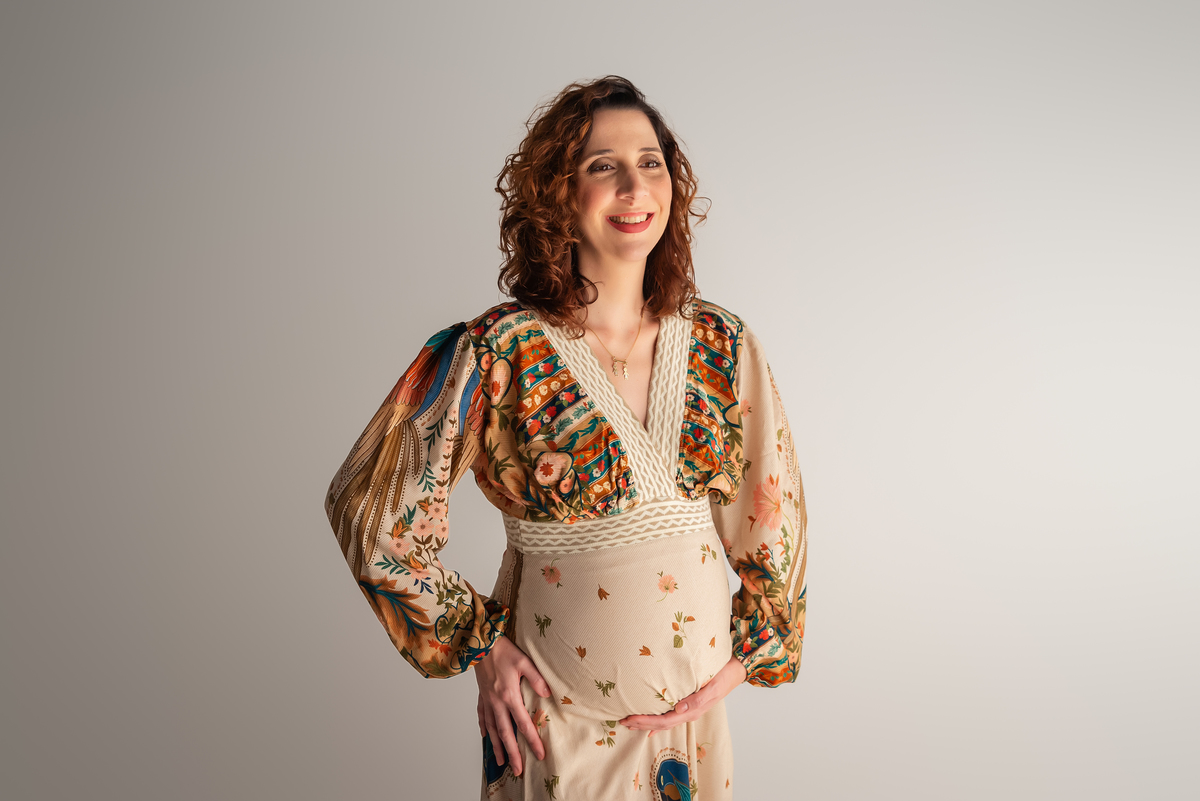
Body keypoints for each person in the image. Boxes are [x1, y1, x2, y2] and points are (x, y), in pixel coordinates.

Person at [324, 75, 807, 800]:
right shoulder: (499, 350)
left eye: (650, 162)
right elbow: (369, 509)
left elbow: (776, 514)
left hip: (692, 734)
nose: (634, 187)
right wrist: (480, 647)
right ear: (559, 192)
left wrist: (746, 657)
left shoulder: (722, 343)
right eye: (603, 165)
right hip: (555, 727)